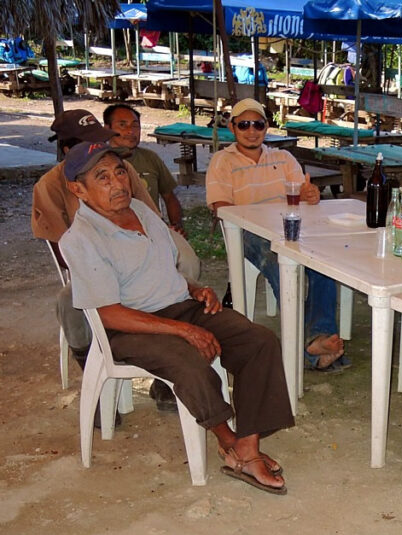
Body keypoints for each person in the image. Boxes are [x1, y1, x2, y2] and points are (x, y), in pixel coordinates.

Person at [59, 141, 293, 495]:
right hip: (128, 326)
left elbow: (161, 267)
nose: (117, 183)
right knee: (188, 360)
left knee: (259, 341)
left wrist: (196, 288)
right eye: (102, 177)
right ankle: (230, 442)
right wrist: (184, 330)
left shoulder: (140, 208)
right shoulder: (80, 239)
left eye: (119, 171)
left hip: (179, 306)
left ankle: (247, 445)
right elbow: (108, 312)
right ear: (79, 189)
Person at [32, 108, 199, 413]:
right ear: (69, 151)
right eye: (91, 144)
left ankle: (166, 376)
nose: (103, 150)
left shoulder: (123, 170)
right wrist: (106, 272)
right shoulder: (50, 186)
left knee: (187, 261)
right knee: (69, 302)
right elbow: (62, 249)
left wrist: (155, 262)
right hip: (91, 262)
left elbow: (150, 219)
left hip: (136, 249)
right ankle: (94, 377)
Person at [206, 98, 347, 373]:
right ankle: (309, 346)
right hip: (247, 232)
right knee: (282, 265)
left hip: (288, 228)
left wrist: (311, 196)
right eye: (244, 124)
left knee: (325, 263)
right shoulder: (222, 161)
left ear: (266, 127)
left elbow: (305, 195)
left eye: (257, 124)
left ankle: (317, 338)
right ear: (233, 128)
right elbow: (220, 208)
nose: (251, 130)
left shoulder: (282, 158)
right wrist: (257, 218)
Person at [103, 103, 184, 232]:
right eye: (122, 125)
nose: (130, 131)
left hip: (152, 231)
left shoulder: (150, 158)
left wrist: (176, 226)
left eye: (135, 125)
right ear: (107, 129)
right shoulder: (98, 162)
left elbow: (169, 197)